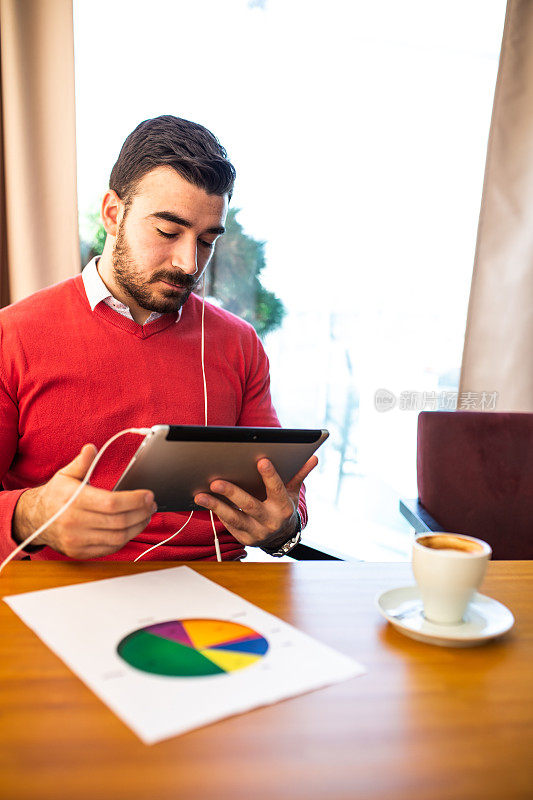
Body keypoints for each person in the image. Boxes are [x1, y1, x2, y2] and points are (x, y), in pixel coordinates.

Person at [0, 115, 316, 563]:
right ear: (113, 214)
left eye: (207, 240)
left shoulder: (240, 344)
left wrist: (283, 527)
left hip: (218, 595)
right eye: (168, 232)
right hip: (67, 590)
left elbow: (281, 492)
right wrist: (29, 514)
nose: (189, 262)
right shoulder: (12, 337)